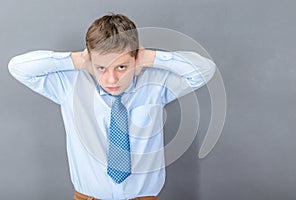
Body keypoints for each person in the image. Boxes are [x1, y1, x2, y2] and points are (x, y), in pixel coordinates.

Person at [8, 14, 216, 200]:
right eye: (101, 68)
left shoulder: (156, 85)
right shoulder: (70, 87)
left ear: (136, 59)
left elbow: (205, 70)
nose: (111, 79)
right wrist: (77, 59)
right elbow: (18, 68)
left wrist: (151, 57)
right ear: (90, 61)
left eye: (122, 67)